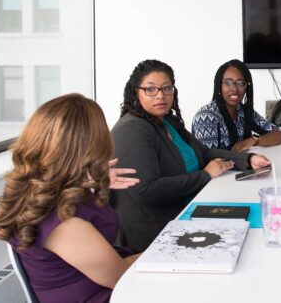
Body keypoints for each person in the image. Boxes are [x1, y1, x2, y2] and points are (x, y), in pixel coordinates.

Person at [110, 59, 271, 251]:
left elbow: (204, 152)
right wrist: (205, 175)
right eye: (151, 89)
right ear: (136, 91)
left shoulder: (167, 120)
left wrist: (247, 160)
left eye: (167, 88)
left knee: (253, 230)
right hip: (153, 232)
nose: (160, 95)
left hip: (187, 211)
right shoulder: (131, 129)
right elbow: (147, 190)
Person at [0, 94, 141, 303]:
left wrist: (87, 178)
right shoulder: (64, 223)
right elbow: (120, 278)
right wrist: (156, 254)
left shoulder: (36, 190)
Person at [191, 59, 281, 151]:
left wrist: (253, 140)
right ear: (219, 86)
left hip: (243, 164)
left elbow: (278, 135)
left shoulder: (243, 111)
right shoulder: (206, 117)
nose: (234, 89)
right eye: (228, 83)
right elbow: (209, 158)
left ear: (246, 87)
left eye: (240, 83)